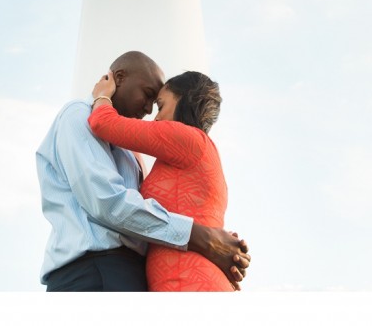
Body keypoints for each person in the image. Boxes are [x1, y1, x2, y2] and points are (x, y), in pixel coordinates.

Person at [36, 50, 249, 291]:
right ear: (118, 77)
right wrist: (201, 237)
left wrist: (221, 247)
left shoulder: (133, 152)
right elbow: (107, 202)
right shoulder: (79, 114)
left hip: (130, 273)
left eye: (158, 104)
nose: (150, 111)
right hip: (95, 271)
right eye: (149, 97)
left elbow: (154, 215)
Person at [89, 68, 233, 291]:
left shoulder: (187, 139)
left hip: (187, 284)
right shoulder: (197, 152)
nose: (155, 116)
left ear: (185, 100)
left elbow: (102, 123)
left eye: (161, 105)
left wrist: (102, 94)